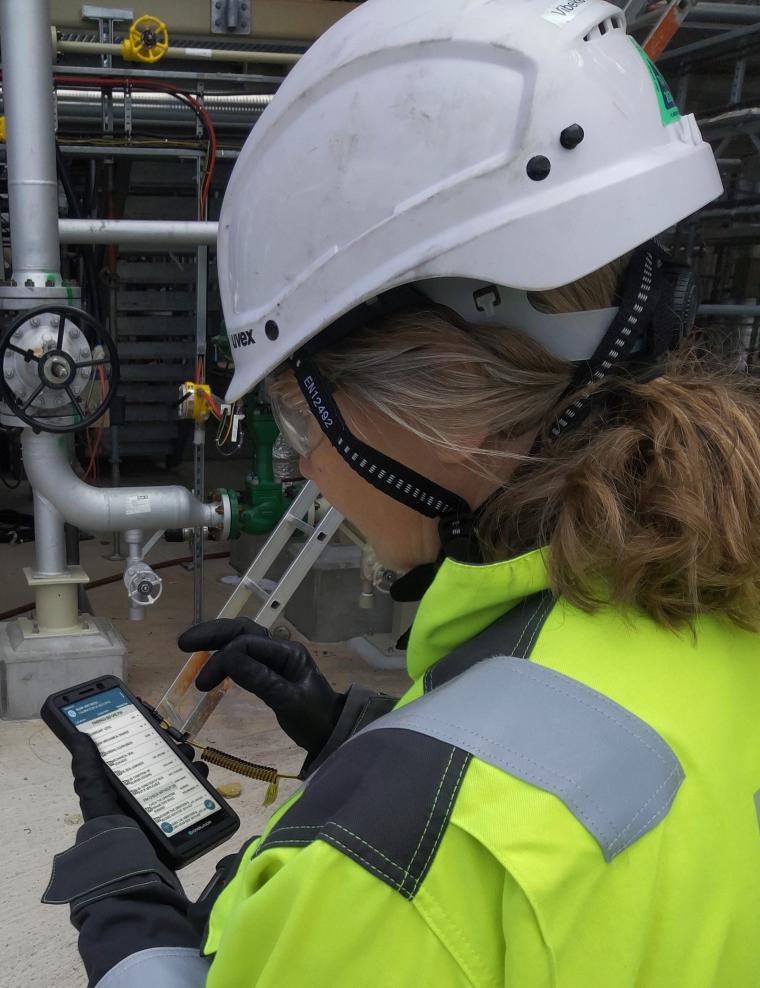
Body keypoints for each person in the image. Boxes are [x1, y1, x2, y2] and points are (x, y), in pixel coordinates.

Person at [44, 0, 760, 985]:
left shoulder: (382, 869)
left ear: (433, 401)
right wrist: (358, 729)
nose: (305, 467)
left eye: (303, 422)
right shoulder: (711, 579)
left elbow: (462, 867)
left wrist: (130, 922)